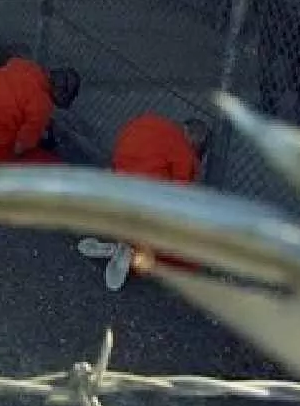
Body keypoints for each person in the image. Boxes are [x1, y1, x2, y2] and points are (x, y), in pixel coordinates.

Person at [78, 115, 212, 290]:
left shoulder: (150, 121)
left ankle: (124, 239)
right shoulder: (186, 156)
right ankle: (135, 249)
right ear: (196, 144)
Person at [0, 58, 80, 165]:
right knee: (53, 163)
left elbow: (20, 97)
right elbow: (20, 147)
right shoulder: (42, 105)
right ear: (60, 94)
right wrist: (38, 140)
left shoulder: (25, 65)